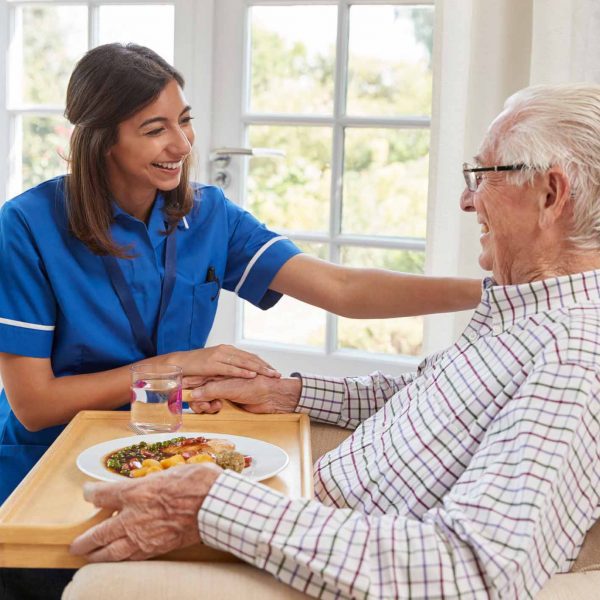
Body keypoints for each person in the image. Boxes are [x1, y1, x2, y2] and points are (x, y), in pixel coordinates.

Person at [71, 83, 600, 600]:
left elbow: (474, 571)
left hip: (343, 548)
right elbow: (425, 395)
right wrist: (290, 394)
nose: (466, 199)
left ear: (550, 195)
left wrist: (210, 503)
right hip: (315, 509)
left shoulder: (575, 352)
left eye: (481, 175)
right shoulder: (526, 310)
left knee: (91, 563)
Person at [0, 42, 481, 511]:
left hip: (166, 454)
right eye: (154, 129)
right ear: (103, 141)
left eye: (185, 121)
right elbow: (35, 405)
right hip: (49, 467)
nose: (182, 144)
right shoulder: (27, 226)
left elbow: (343, 289)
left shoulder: (211, 215)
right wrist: (180, 364)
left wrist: (491, 291)